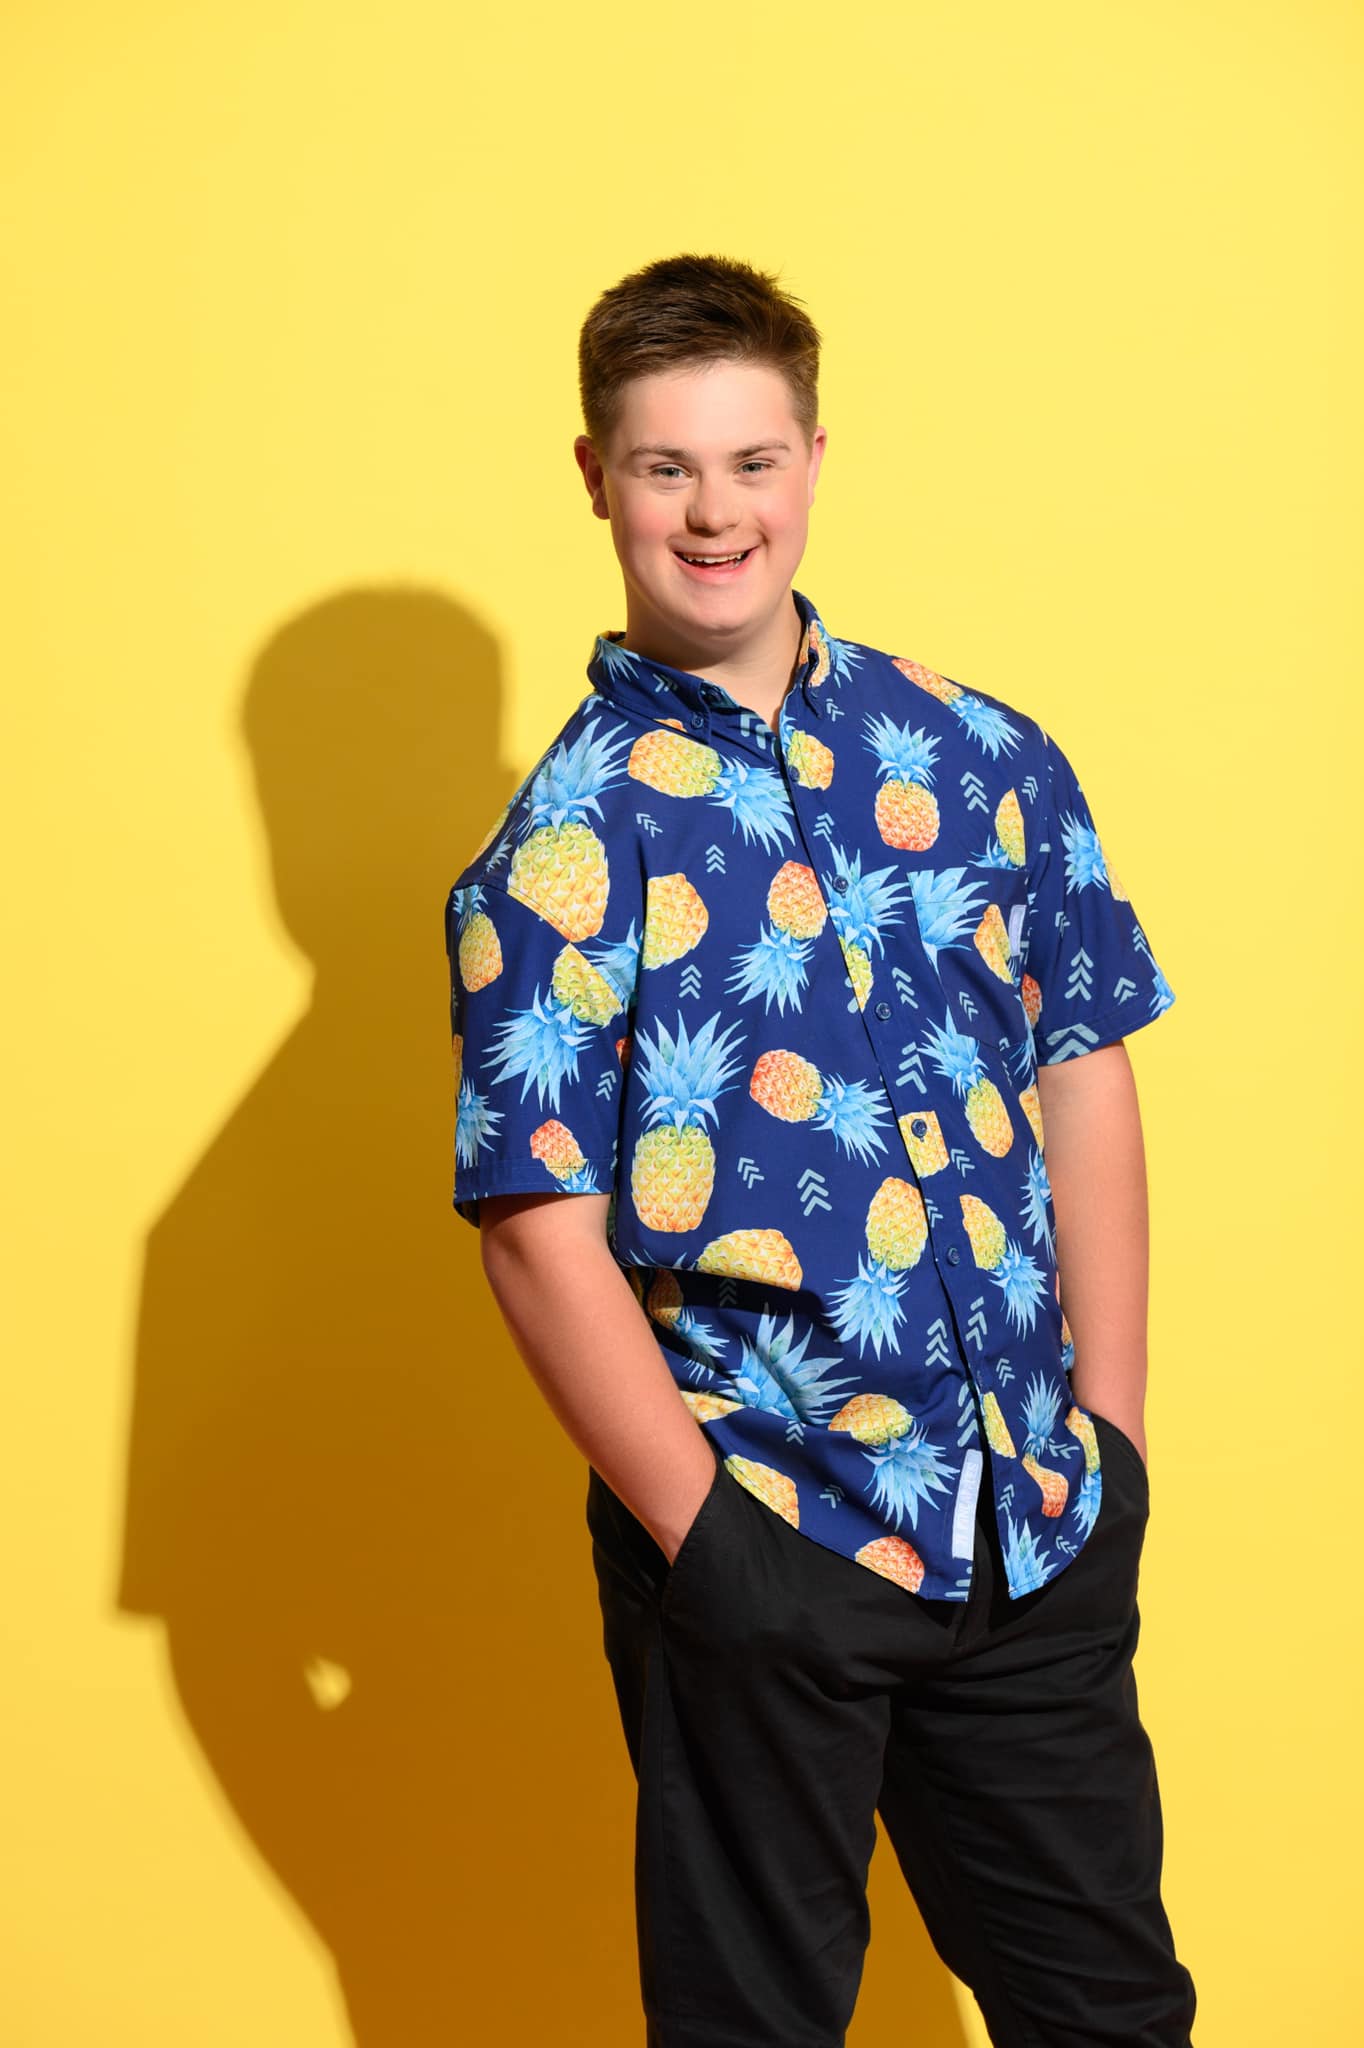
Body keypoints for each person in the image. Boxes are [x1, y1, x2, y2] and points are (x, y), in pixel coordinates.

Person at [444, 251, 1198, 2048]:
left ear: (814, 458)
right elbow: (536, 1228)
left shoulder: (983, 751)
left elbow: (1083, 1063)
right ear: (596, 478)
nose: (717, 514)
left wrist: (1109, 1439)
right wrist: (713, 1548)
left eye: (752, 461)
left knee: (1112, 2014)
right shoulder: (560, 851)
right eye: (667, 467)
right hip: (765, 1533)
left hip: (1028, 1527)